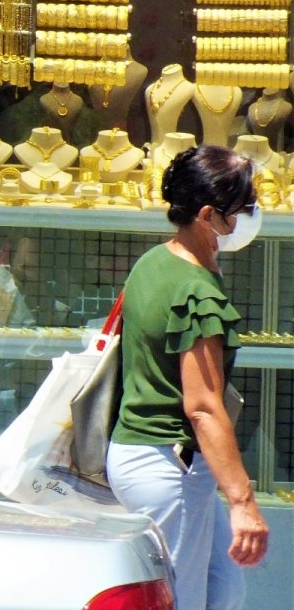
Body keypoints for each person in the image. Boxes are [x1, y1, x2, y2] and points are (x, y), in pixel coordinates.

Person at [107, 145, 268, 610]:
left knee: (225, 587)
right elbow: (202, 407)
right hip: (167, 465)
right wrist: (243, 501)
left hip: (152, 458)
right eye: (242, 208)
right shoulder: (197, 294)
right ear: (207, 215)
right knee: (180, 600)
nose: (251, 215)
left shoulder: (158, 261)